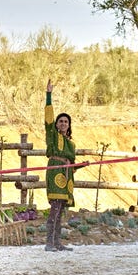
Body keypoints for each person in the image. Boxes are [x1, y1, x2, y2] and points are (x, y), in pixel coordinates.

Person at [44, 79, 77, 252]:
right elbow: (48, 117)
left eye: (66, 122)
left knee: (61, 210)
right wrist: (48, 95)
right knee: (55, 208)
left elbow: (72, 163)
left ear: (69, 125)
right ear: (57, 125)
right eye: (61, 121)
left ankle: (57, 242)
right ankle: (49, 243)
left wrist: (80, 165)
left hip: (67, 176)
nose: (63, 123)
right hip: (55, 173)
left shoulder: (71, 145)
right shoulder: (52, 136)